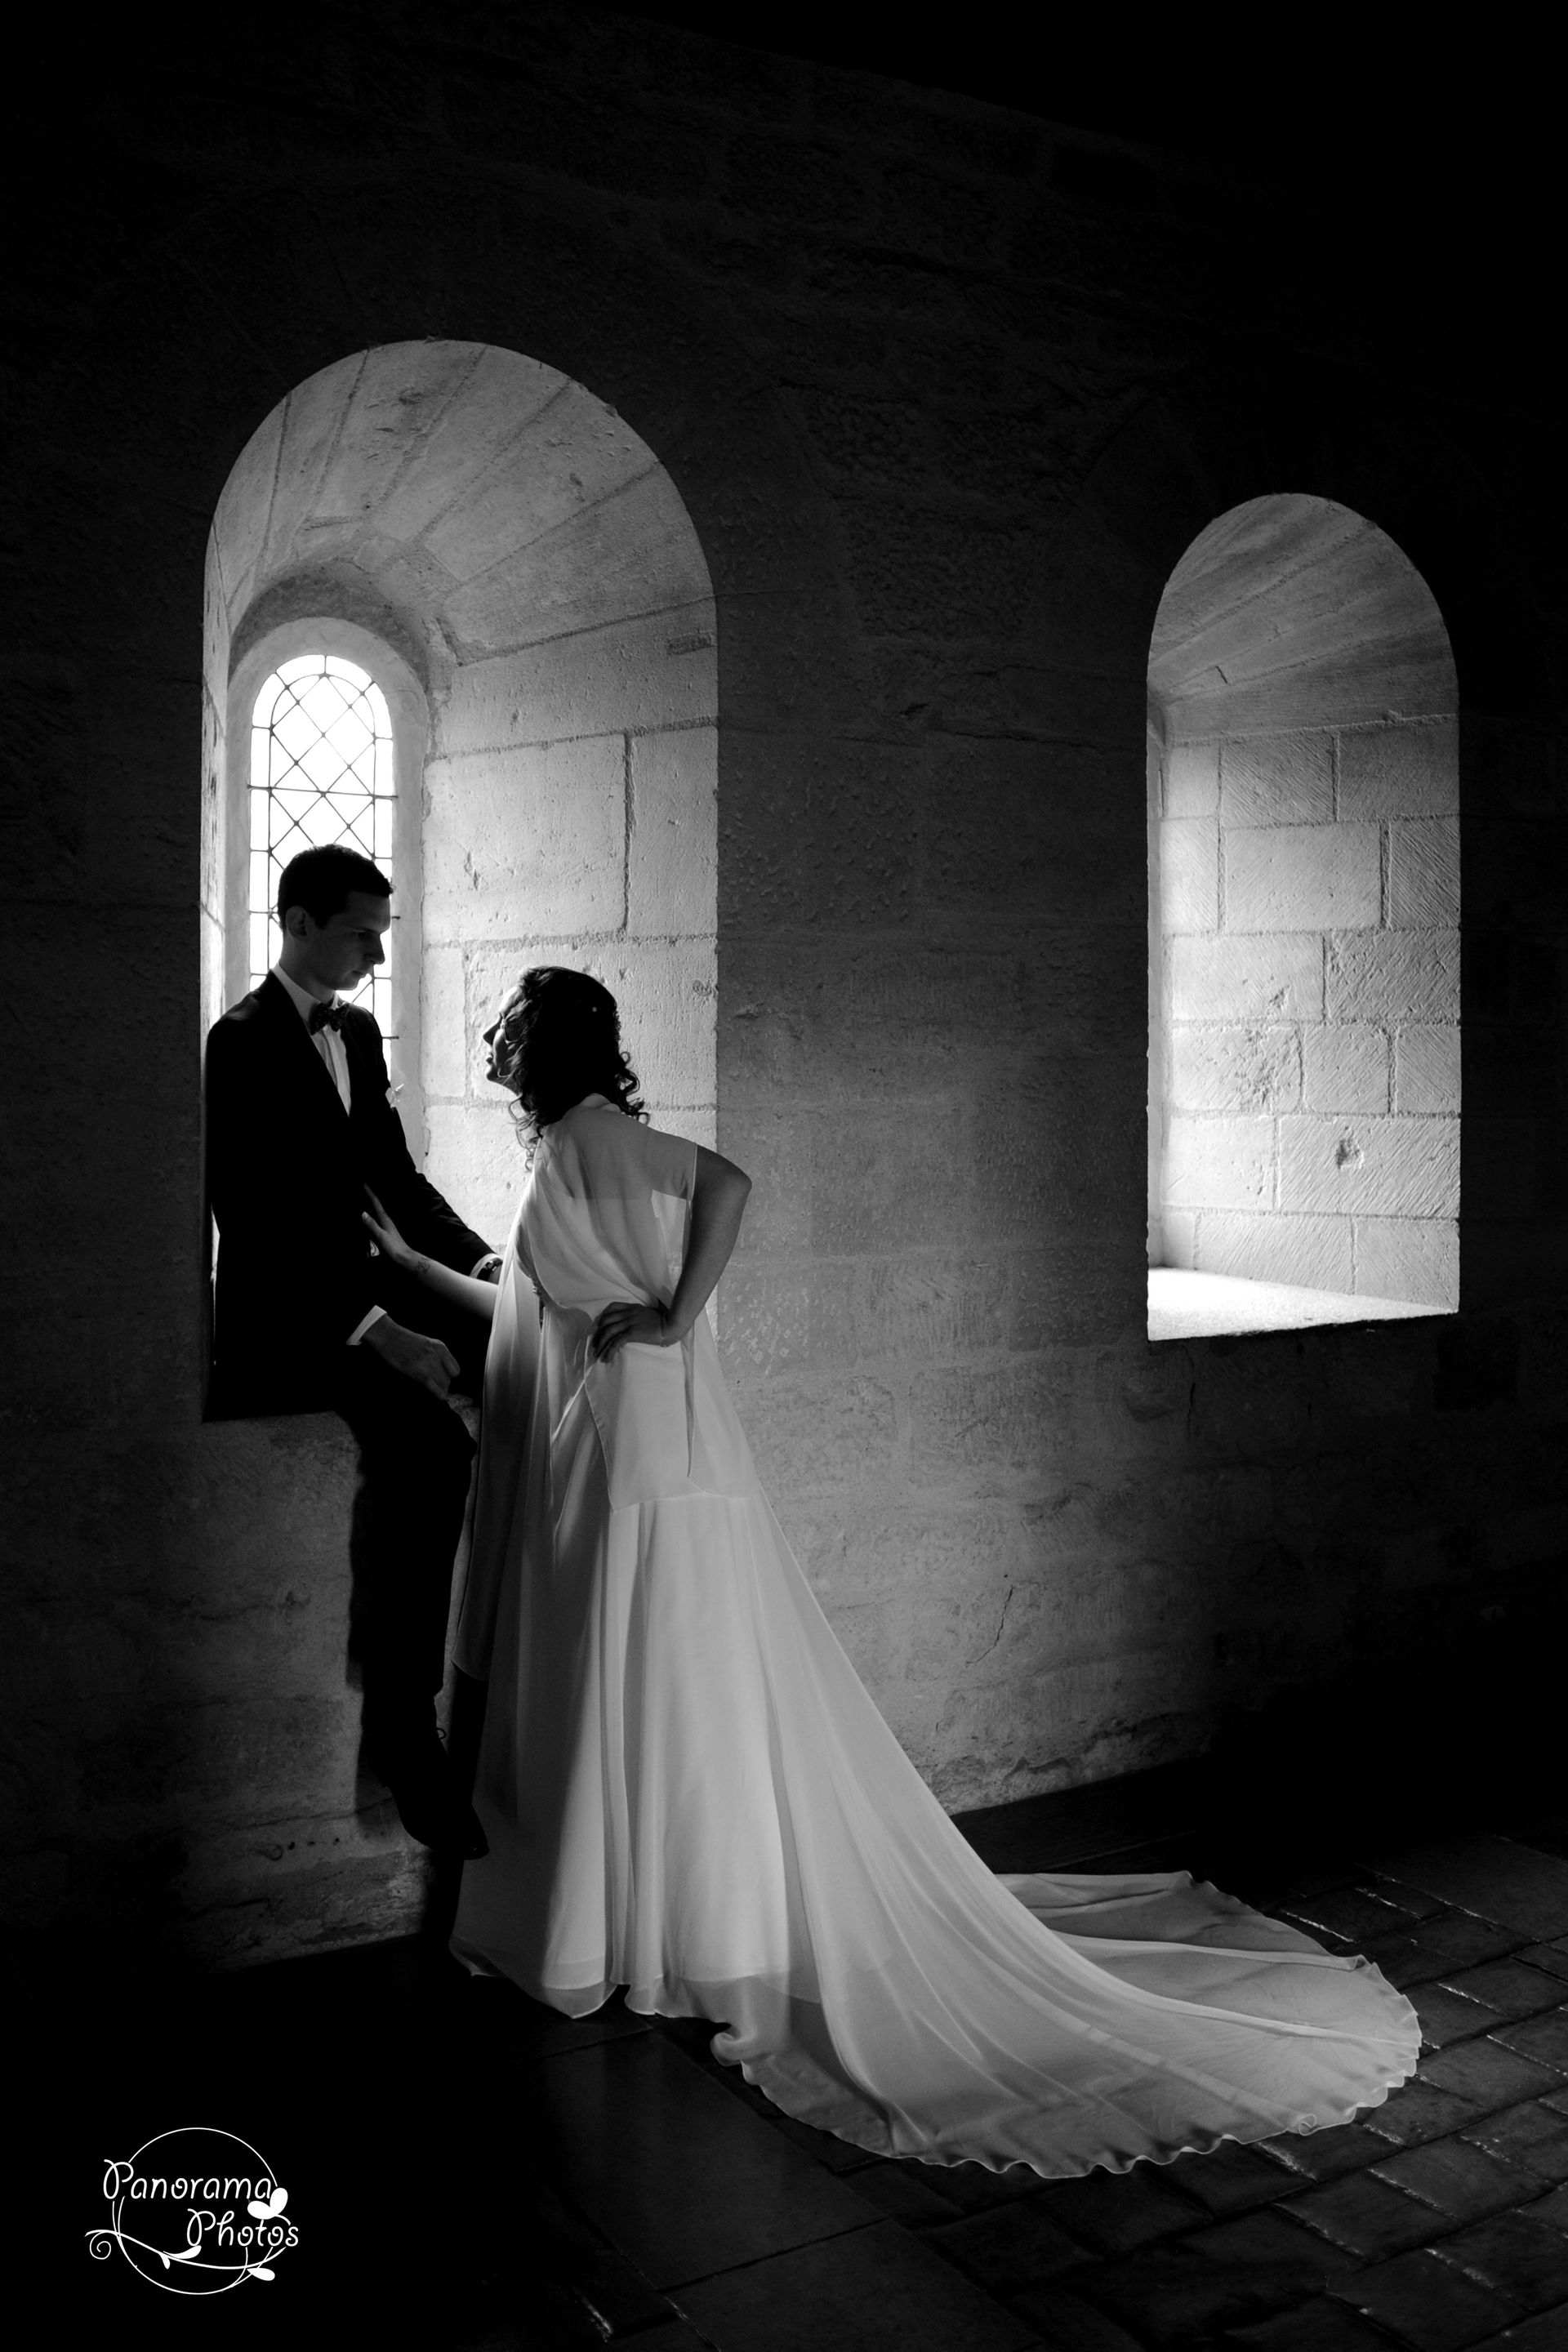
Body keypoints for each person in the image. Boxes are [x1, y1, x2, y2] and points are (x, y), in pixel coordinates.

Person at [364, 966, 1421, 2176]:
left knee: (634, 1673)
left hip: (631, 1450)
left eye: (506, 1029)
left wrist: (667, 1317)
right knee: (655, 1682)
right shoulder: (572, 1151)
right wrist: (407, 1262)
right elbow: (526, 1318)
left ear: (547, 1047)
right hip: (625, 1448)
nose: (492, 1044)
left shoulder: (594, 1141)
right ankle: (659, 1922)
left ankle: (627, 1929)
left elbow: (732, 1185)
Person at [204, 844, 498, 1856]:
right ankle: (407, 1728)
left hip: (370, 1282)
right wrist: (380, 1333)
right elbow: (252, 1219)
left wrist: (486, 1266)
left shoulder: (359, 1032)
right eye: (361, 932)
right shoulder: (236, 1042)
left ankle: (533, 1673)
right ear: (295, 922)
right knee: (435, 1445)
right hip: (289, 1317)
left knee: (533, 1356)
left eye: (383, 931)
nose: (377, 951)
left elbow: (395, 1181)